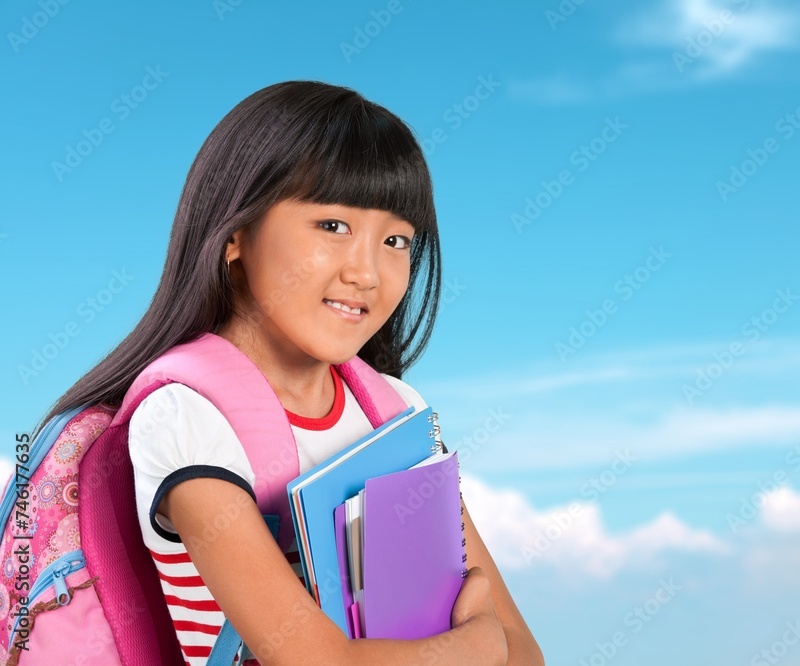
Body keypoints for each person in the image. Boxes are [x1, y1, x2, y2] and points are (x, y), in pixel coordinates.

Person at [37, 81, 544, 665]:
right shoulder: (188, 418)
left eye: (397, 239)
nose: (367, 272)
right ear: (235, 235)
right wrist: (474, 645)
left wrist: (492, 645)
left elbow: (527, 653)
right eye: (332, 226)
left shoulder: (396, 409)